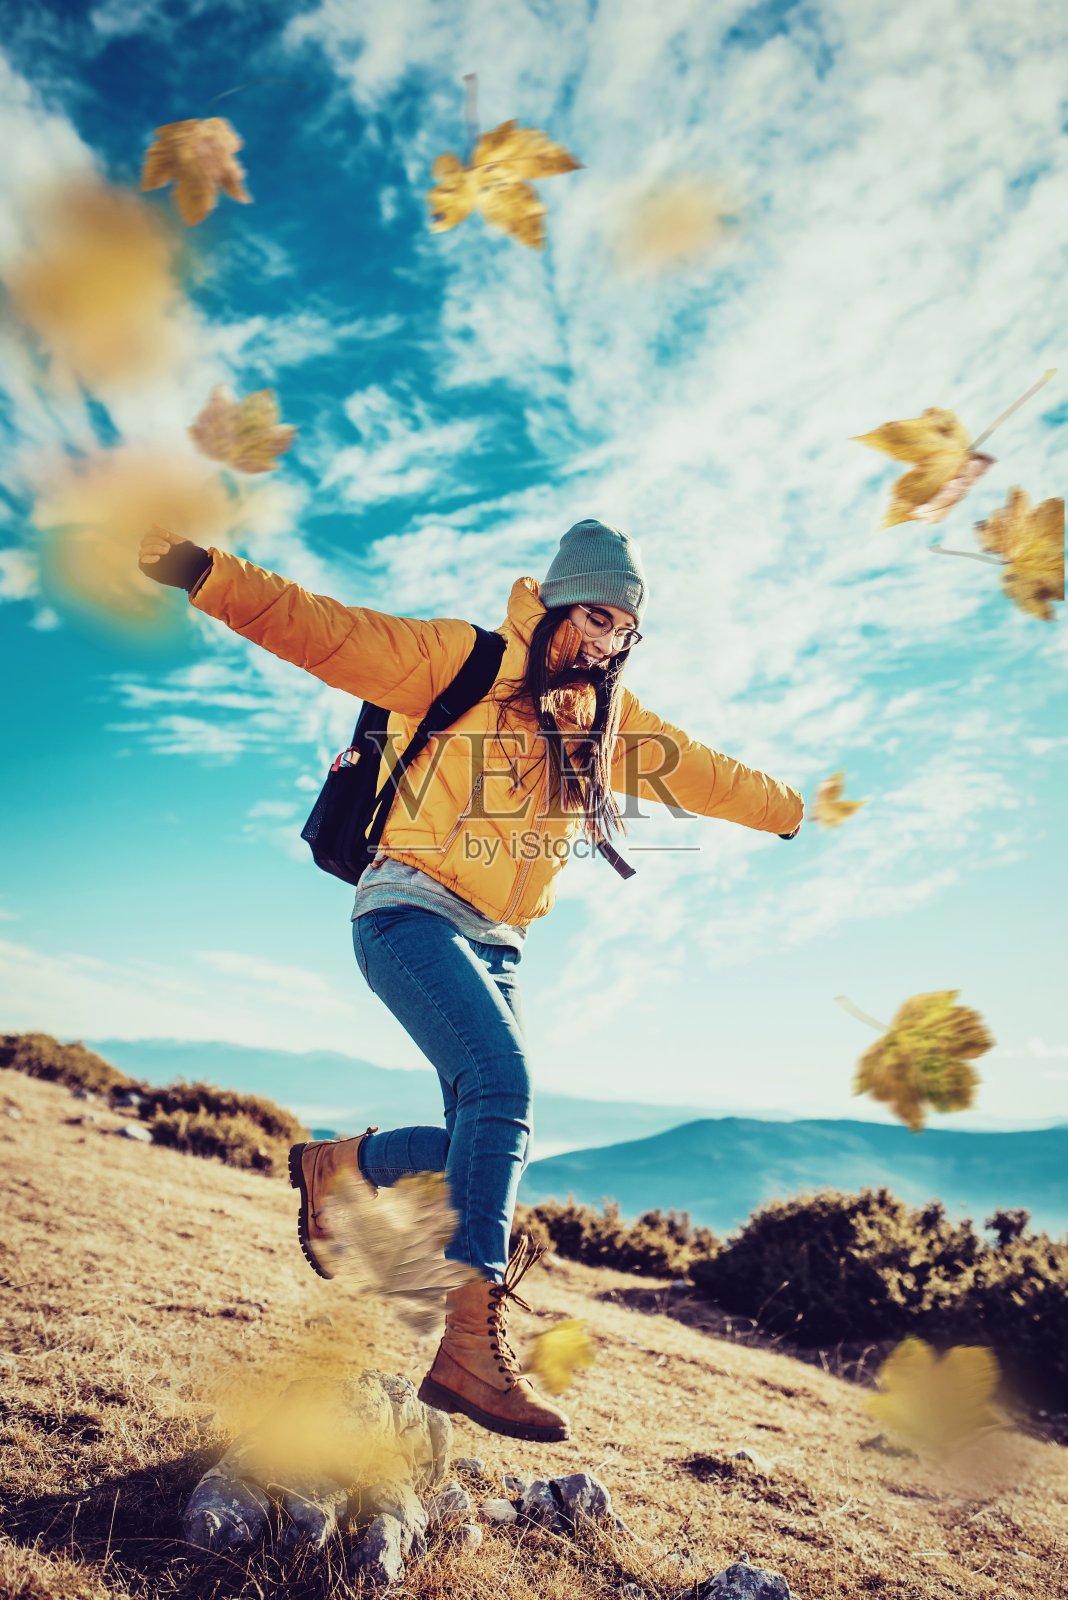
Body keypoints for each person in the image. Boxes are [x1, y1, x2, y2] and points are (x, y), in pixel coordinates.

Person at [138, 516, 804, 1444]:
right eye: (598, 616)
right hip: (407, 909)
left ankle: (340, 1166)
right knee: (507, 1090)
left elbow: (704, 772)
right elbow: (321, 628)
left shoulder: (609, 721)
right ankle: (466, 1350)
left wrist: (786, 810)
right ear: (562, 601)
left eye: (627, 629)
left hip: (500, 945)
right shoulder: (463, 660)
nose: (609, 642)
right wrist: (207, 572)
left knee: (483, 1134)